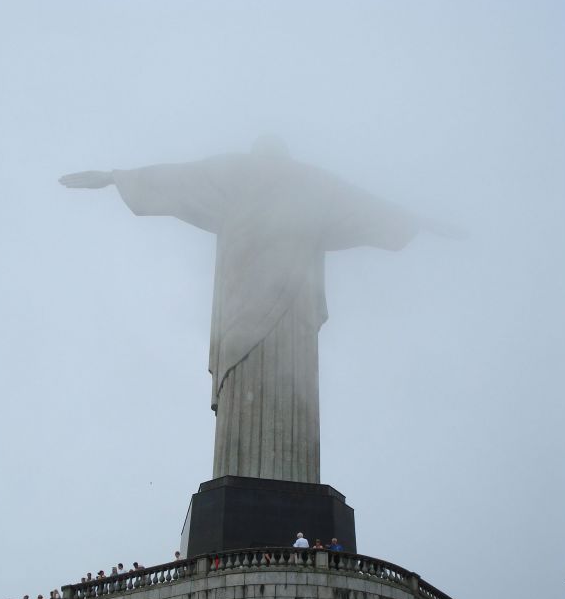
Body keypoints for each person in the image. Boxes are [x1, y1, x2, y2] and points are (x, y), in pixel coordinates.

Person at [59, 140, 430, 485]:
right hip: (242, 295)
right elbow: (180, 179)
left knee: (291, 376)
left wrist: (415, 221)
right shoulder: (272, 179)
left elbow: (361, 206)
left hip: (293, 304)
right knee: (244, 373)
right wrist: (115, 178)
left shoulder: (296, 184)